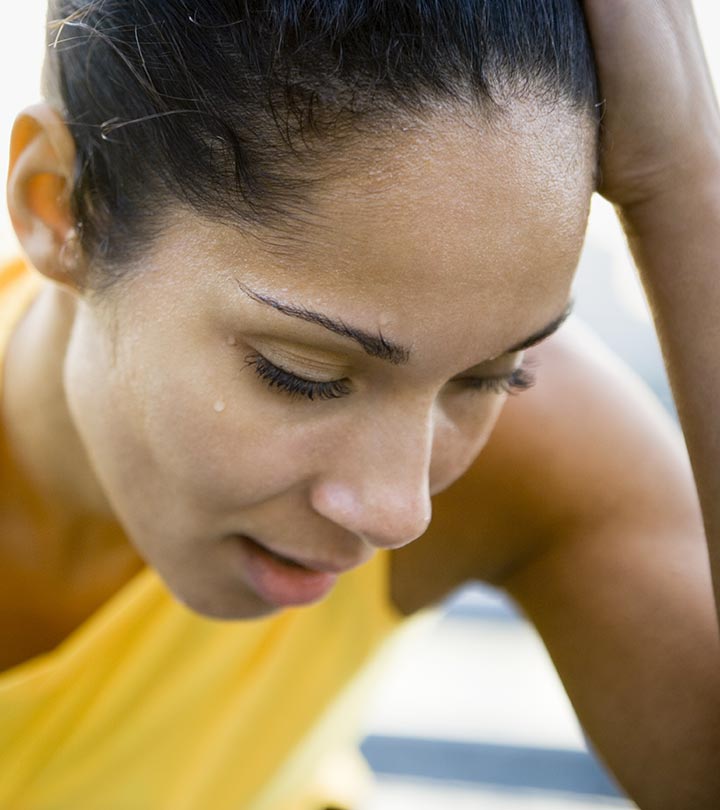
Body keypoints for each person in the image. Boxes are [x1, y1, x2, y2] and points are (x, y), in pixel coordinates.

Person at [1, 0, 719, 807]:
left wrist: (686, 186)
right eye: (303, 374)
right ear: (59, 202)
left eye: (491, 377)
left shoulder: (539, 451)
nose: (398, 511)